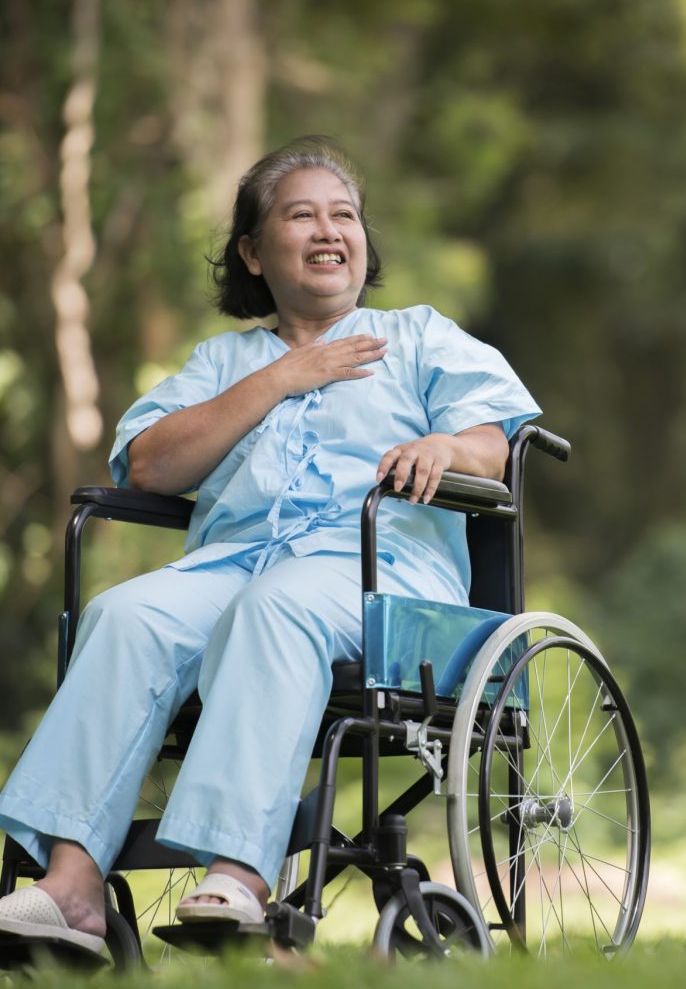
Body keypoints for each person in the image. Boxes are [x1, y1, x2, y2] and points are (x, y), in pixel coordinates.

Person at [0, 136, 540, 958]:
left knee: (277, 606)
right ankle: (71, 888)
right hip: (231, 568)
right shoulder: (225, 360)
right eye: (301, 215)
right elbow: (151, 462)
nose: (329, 231)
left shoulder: (418, 337)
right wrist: (283, 377)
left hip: (378, 575)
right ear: (253, 251)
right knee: (126, 614)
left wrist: (446, 449)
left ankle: (241, 879)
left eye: (344, 215)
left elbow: (495, 445)